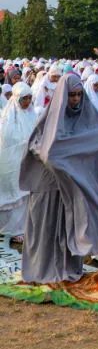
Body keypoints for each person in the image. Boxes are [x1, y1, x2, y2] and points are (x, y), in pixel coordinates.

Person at [20, 73, 98, 283]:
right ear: (63, 95)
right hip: (49, 184)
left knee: (69, 226)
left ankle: (66, 268)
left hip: (73, 186)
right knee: (47, 227)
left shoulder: (86, 118)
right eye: (71, 95)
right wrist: (52, 156)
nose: (76, 100)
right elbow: (35, 144)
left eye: (79, 95)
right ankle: (42, 269)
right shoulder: (48, 116)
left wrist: (70, 157)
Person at [0, 83, 37, 237]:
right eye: (24, 98)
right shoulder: (6, 120)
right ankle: (9, 228)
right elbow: (6, 142)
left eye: (29, 98)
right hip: (12, 164)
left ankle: (24, 227)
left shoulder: (32, 115)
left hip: (28, 163)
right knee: (14, 195)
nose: (27, 101)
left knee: (26, 194)